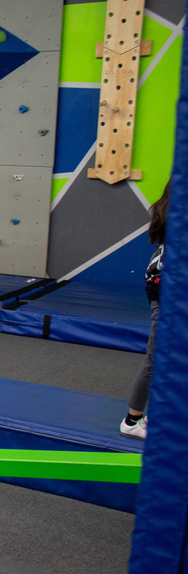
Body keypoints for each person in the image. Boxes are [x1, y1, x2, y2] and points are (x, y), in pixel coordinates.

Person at [120, 180, 169, 440]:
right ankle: (132, 420)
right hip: (165, 289)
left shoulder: (167, 207)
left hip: (160, 285)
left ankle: (158, 414)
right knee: (155, 358)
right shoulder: (176, 212)